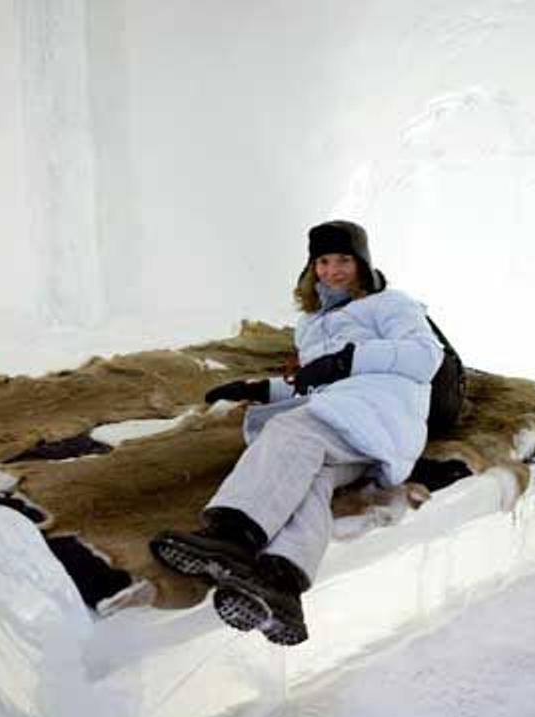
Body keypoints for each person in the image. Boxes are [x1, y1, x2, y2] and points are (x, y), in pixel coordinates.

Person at [150, 220, 443, 645]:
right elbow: (316, 381)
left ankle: (232, 537)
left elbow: (424, 357)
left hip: (381, 411)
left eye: (344, 260)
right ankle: (281, 583)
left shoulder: (391, 304)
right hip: (350, 423)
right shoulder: (311, 324)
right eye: (323, 261)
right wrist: (261, 388)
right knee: (314, 477)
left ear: (362, 263)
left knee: (293, 431)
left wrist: (346, 361)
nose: (333, 270)